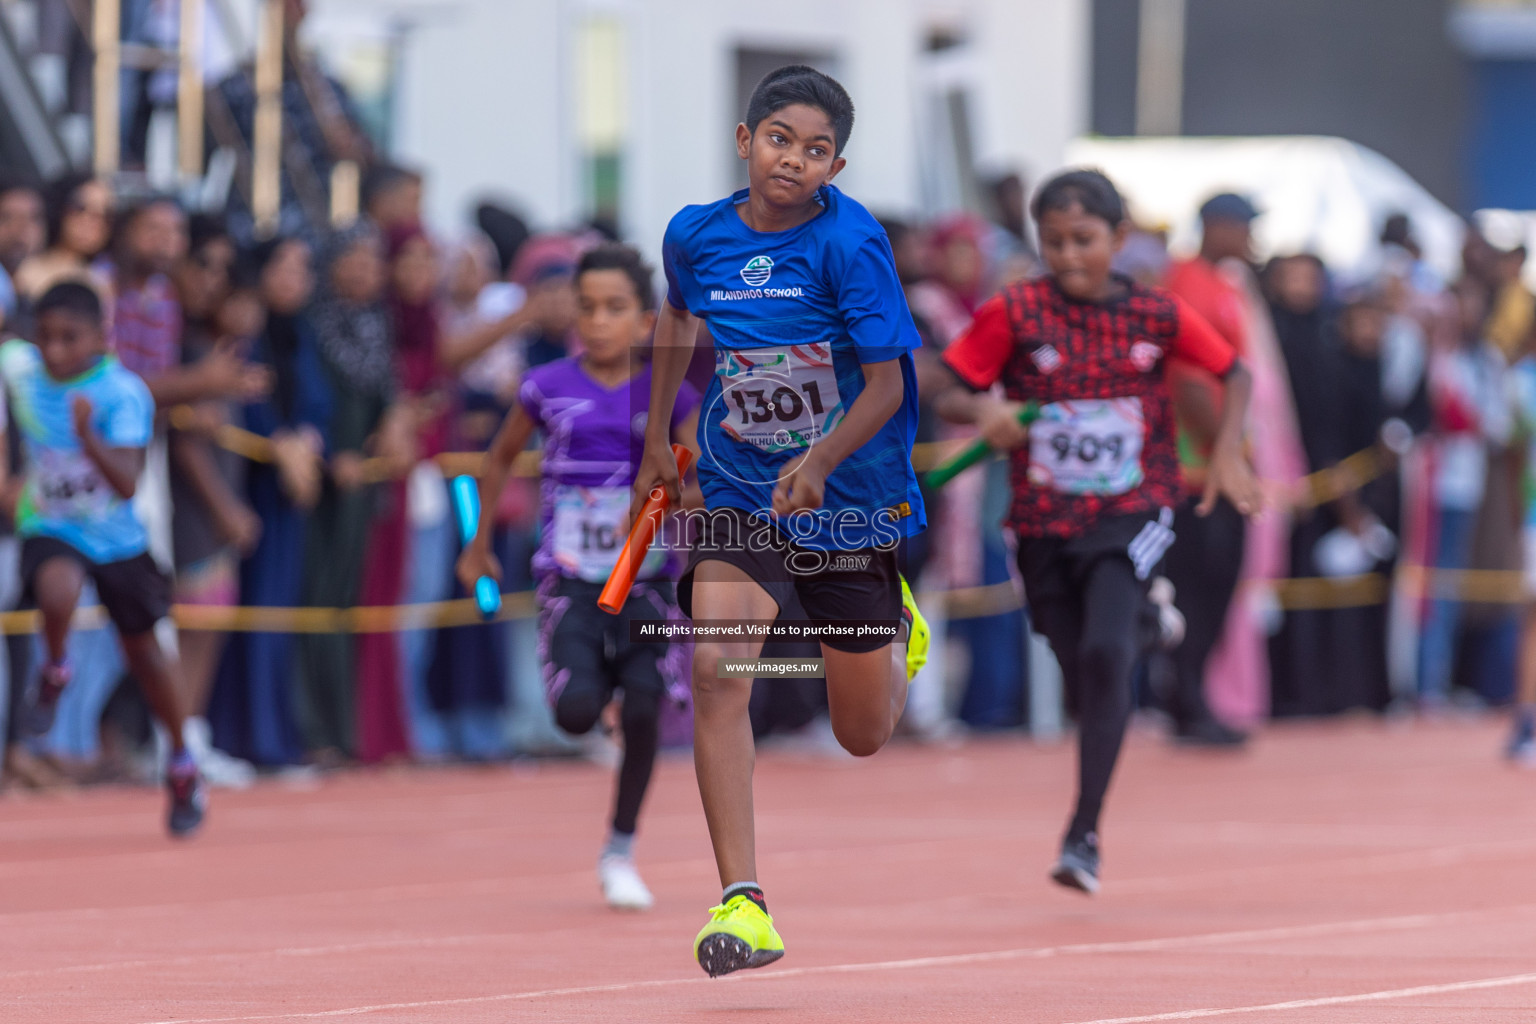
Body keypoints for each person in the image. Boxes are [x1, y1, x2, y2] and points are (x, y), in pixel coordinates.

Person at [634, 65, 930, 976]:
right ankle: (743, 902)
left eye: (813, 151)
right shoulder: (694, 235)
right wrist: (656, 438)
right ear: (743, 140)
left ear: (836, 165)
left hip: (848, 497)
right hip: (737, 484)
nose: (792, 161)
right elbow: (679, 322)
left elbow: (886, 384)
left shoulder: (851, 246)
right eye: (778, 140)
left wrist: (823, 461)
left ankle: (897, 628)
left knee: (862, 733)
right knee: (718, 667)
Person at [933, 169, 1260, 895]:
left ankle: (1083, 833)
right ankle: (1146, 623)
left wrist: (1230, 455)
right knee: (1080, 665)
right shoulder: (1015, 312)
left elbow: (1234, 373)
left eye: (1084, 240)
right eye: (1054, 242)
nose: (1070, 256)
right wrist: (978, 411)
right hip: (1043, 522)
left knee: (1107, 655)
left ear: (1117, 239)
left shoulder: (1156, 313)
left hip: (1134, 508)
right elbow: (947, 384)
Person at [460, 243, 701, 909]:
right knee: (572, 715)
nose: (598, 321)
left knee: (648, 706)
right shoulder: (546, 389)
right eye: (587, 307)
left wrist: (669, 498)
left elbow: (696, 478)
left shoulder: (671, 393)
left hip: (647, 579)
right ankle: (601, 696)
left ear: (646, 321)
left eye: (615, 308)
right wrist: (477, 545)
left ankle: (620, 847)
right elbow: (499, 458)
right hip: (569, 578)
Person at [1, 282, 205, 834]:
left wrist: (88, 435)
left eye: (70, 338)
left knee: (144, 654)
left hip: (116, 538)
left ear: (100, 338)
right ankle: (56, 668)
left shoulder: (121, 392)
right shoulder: (21, 371)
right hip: (51, 522)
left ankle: (183, 760)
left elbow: (126, 483)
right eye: (45, 337)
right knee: (56, 588)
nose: (56, 350)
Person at [209, 238, 330, 766]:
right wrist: (280, 446)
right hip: (248, 488)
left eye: (302, 268)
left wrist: (306, 443)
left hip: (290, 495)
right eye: (282, 267)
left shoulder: (299, 335)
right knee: (247, 615)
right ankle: (245, 738)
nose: (293, 279)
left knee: (282, 614)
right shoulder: (243, 335)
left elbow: (316, 403)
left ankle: (277, 733)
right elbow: (247, 404)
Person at [1158, 193, 1260, 746]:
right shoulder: (1190, 283)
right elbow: (1188, 378)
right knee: (1201, 586)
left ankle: (1192, 696)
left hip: (1214, 458)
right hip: (1195, 469)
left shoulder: (1220, 283)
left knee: (1215, 586)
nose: (1251, 239)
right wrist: (1223, 452)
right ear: (1218, 226)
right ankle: (1187, 699)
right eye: (1245, 227)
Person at [13, 174, 113, 303]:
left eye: (105, 214)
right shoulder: (25, 273)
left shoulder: (102, 284)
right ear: (59, 206)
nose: (94, 222)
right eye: (81, 208)